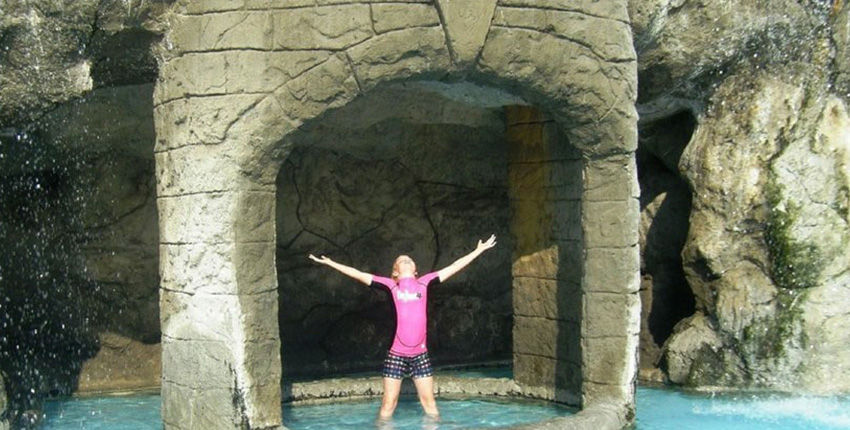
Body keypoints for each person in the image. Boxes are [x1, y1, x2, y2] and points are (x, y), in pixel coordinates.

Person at [308, 234, 497, 419]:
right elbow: (359, 274)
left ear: (416, 271)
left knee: (429, 403)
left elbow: (454, 267)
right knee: (388, 404)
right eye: (401, 260)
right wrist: (331, 263)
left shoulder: (424, 283)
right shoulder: (390, 285)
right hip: (396, 354)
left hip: (420, 354)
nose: (406, 260)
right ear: (395, 272)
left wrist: (478, 251)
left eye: (409, 259)